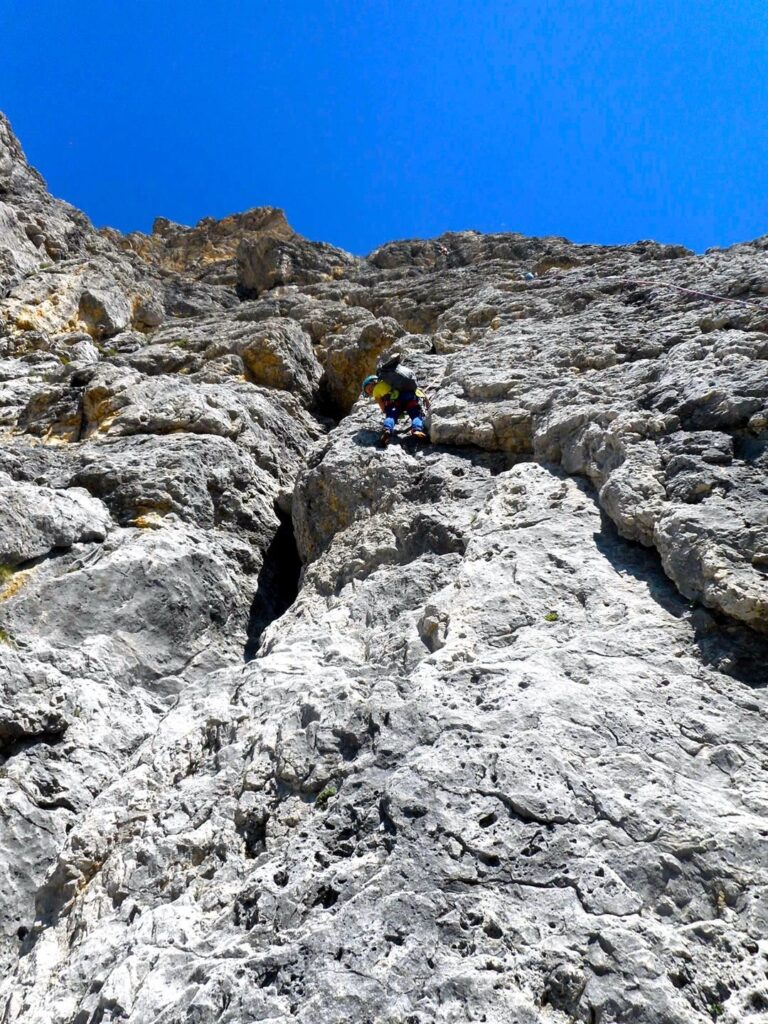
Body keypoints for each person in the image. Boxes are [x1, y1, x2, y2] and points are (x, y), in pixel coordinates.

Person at [361, 372, 428, 447]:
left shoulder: (376, 391)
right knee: (416, 415)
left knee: (391, 416)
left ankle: (387, 429)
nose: (370, 391)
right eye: (369, 392)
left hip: (394, 403)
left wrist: (386, 411)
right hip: (410, 397)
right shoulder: (389, 380)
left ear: (372, 382)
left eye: (369, 389)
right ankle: (417, 430)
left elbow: (382, 406)